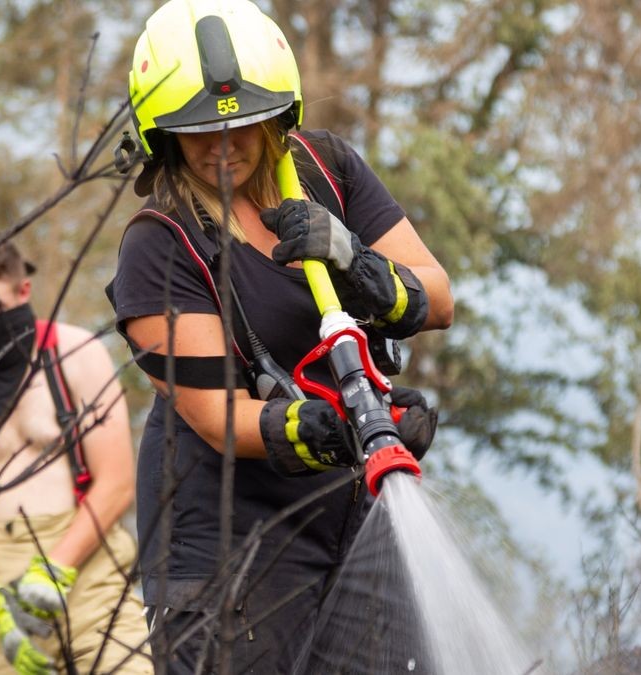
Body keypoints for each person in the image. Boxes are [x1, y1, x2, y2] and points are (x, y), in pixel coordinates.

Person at [108, 0, 454, 672]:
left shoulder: (329, 171)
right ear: (161, 134)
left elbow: (436, 297)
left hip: (354, 510)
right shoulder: (158, 245)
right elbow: (216, 418)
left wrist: (360, 264)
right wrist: (322, 427)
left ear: (279, 113)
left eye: (244, 124)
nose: (224, 144)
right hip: (225, 543)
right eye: (199, 131)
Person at [0, 228, 152, 675]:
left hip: (86, 559)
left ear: (23, 291)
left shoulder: (78, 354)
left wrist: (56, 568)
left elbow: (117, 481)